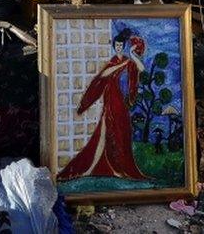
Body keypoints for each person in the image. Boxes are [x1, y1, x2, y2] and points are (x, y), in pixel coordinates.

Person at [56, 29, 147, 182]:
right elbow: (103, 76)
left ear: (124, 46)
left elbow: (141, 68)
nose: (118, 47)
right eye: (116, 45)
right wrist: (121, 65)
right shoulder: (113, 62)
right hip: (111, 100)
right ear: (114, 46)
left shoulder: (128, 61)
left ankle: (120, 168)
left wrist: (132, 55)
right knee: (104, 131)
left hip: (121, 102)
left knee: (121, 132)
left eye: (120, 45)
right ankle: (92, 167)